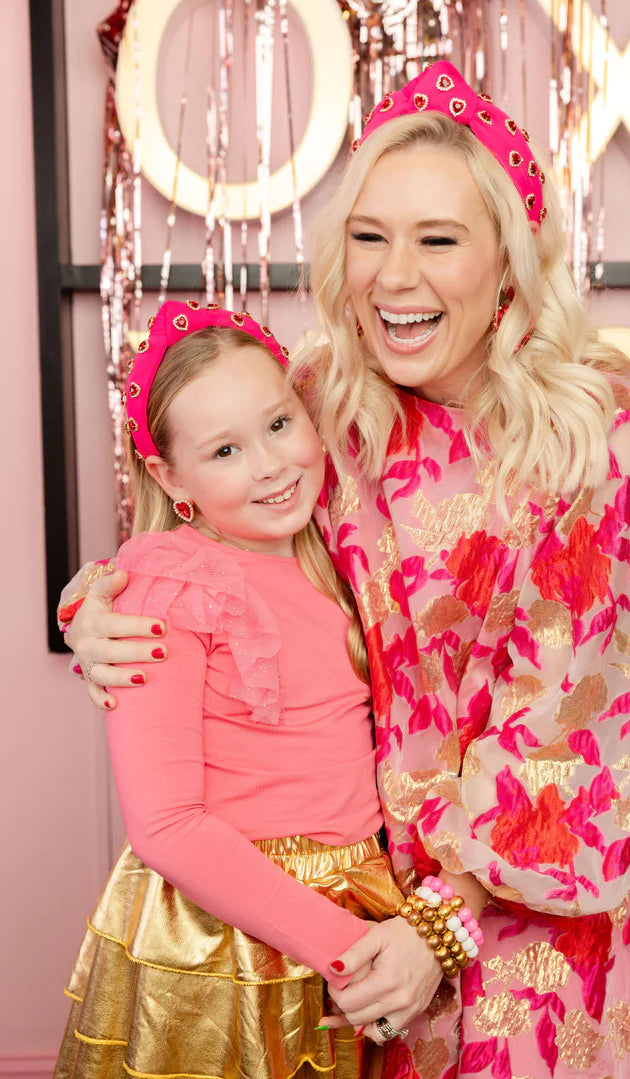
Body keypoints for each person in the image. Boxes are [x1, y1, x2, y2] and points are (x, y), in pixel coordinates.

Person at [62, 62, 630, 1078]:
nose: (393, 277)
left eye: (438, 240)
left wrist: (438, 928)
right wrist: (97, 602)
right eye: (369, 236)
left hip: (543, 909)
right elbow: (218, 519)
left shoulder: (610, 451)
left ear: (510, 260)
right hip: (364, 912)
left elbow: (579, 735)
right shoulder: (328, 401)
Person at [53, 300, 415, 1079]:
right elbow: (167, 824)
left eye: (280, 424)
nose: (270, 465)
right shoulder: (170, 583)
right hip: (235, 934)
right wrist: (345, 948)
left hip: (359, 893)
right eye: (224, 450)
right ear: (168, 475)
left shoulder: (335, 548)